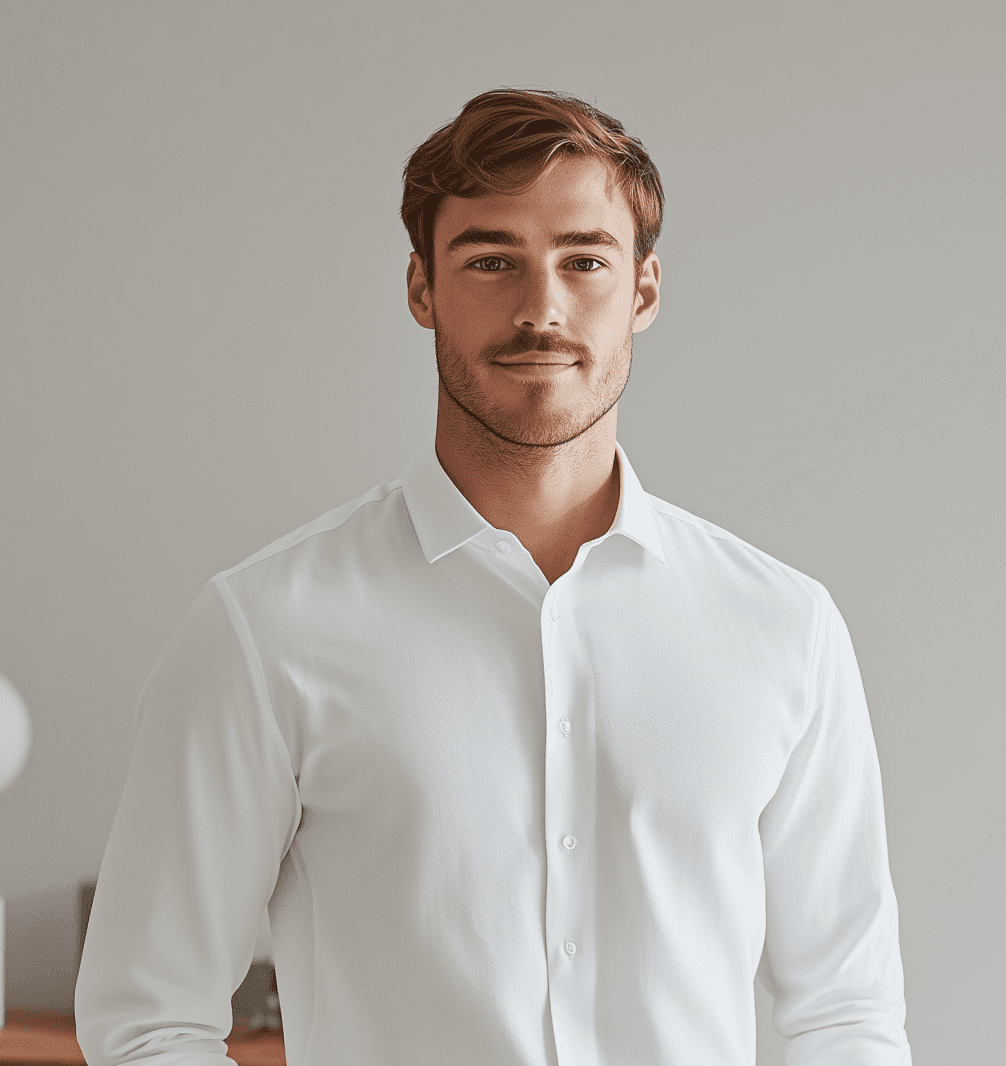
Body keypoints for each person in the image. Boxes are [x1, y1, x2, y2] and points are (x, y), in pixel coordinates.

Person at [75, 88, 912, 1066]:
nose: (540, 307)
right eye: (490, 260)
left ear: (642, 289)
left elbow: (846, 1014)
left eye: (583, 260)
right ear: (422, 287)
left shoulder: (783, 628)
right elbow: (147, 1017)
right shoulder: (263, 628)